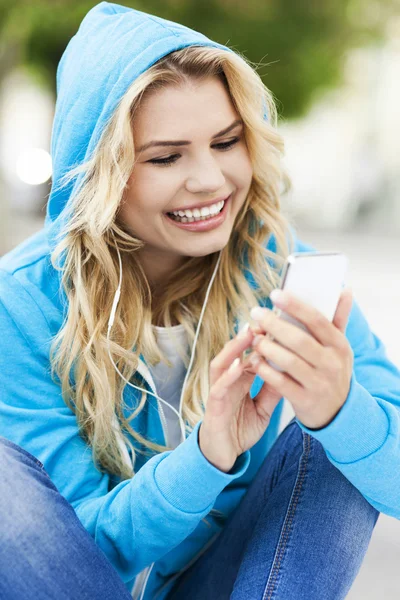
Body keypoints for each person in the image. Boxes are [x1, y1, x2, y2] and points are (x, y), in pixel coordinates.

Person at [0, 2, 399, 599]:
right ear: (101, 173)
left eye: (226, 142)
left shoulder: (276, 266)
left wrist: (340, 410)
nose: (210, 179)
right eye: (166, 156)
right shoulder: (23, 304)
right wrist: (208, 455)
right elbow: (73, 556)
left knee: (340, 430)